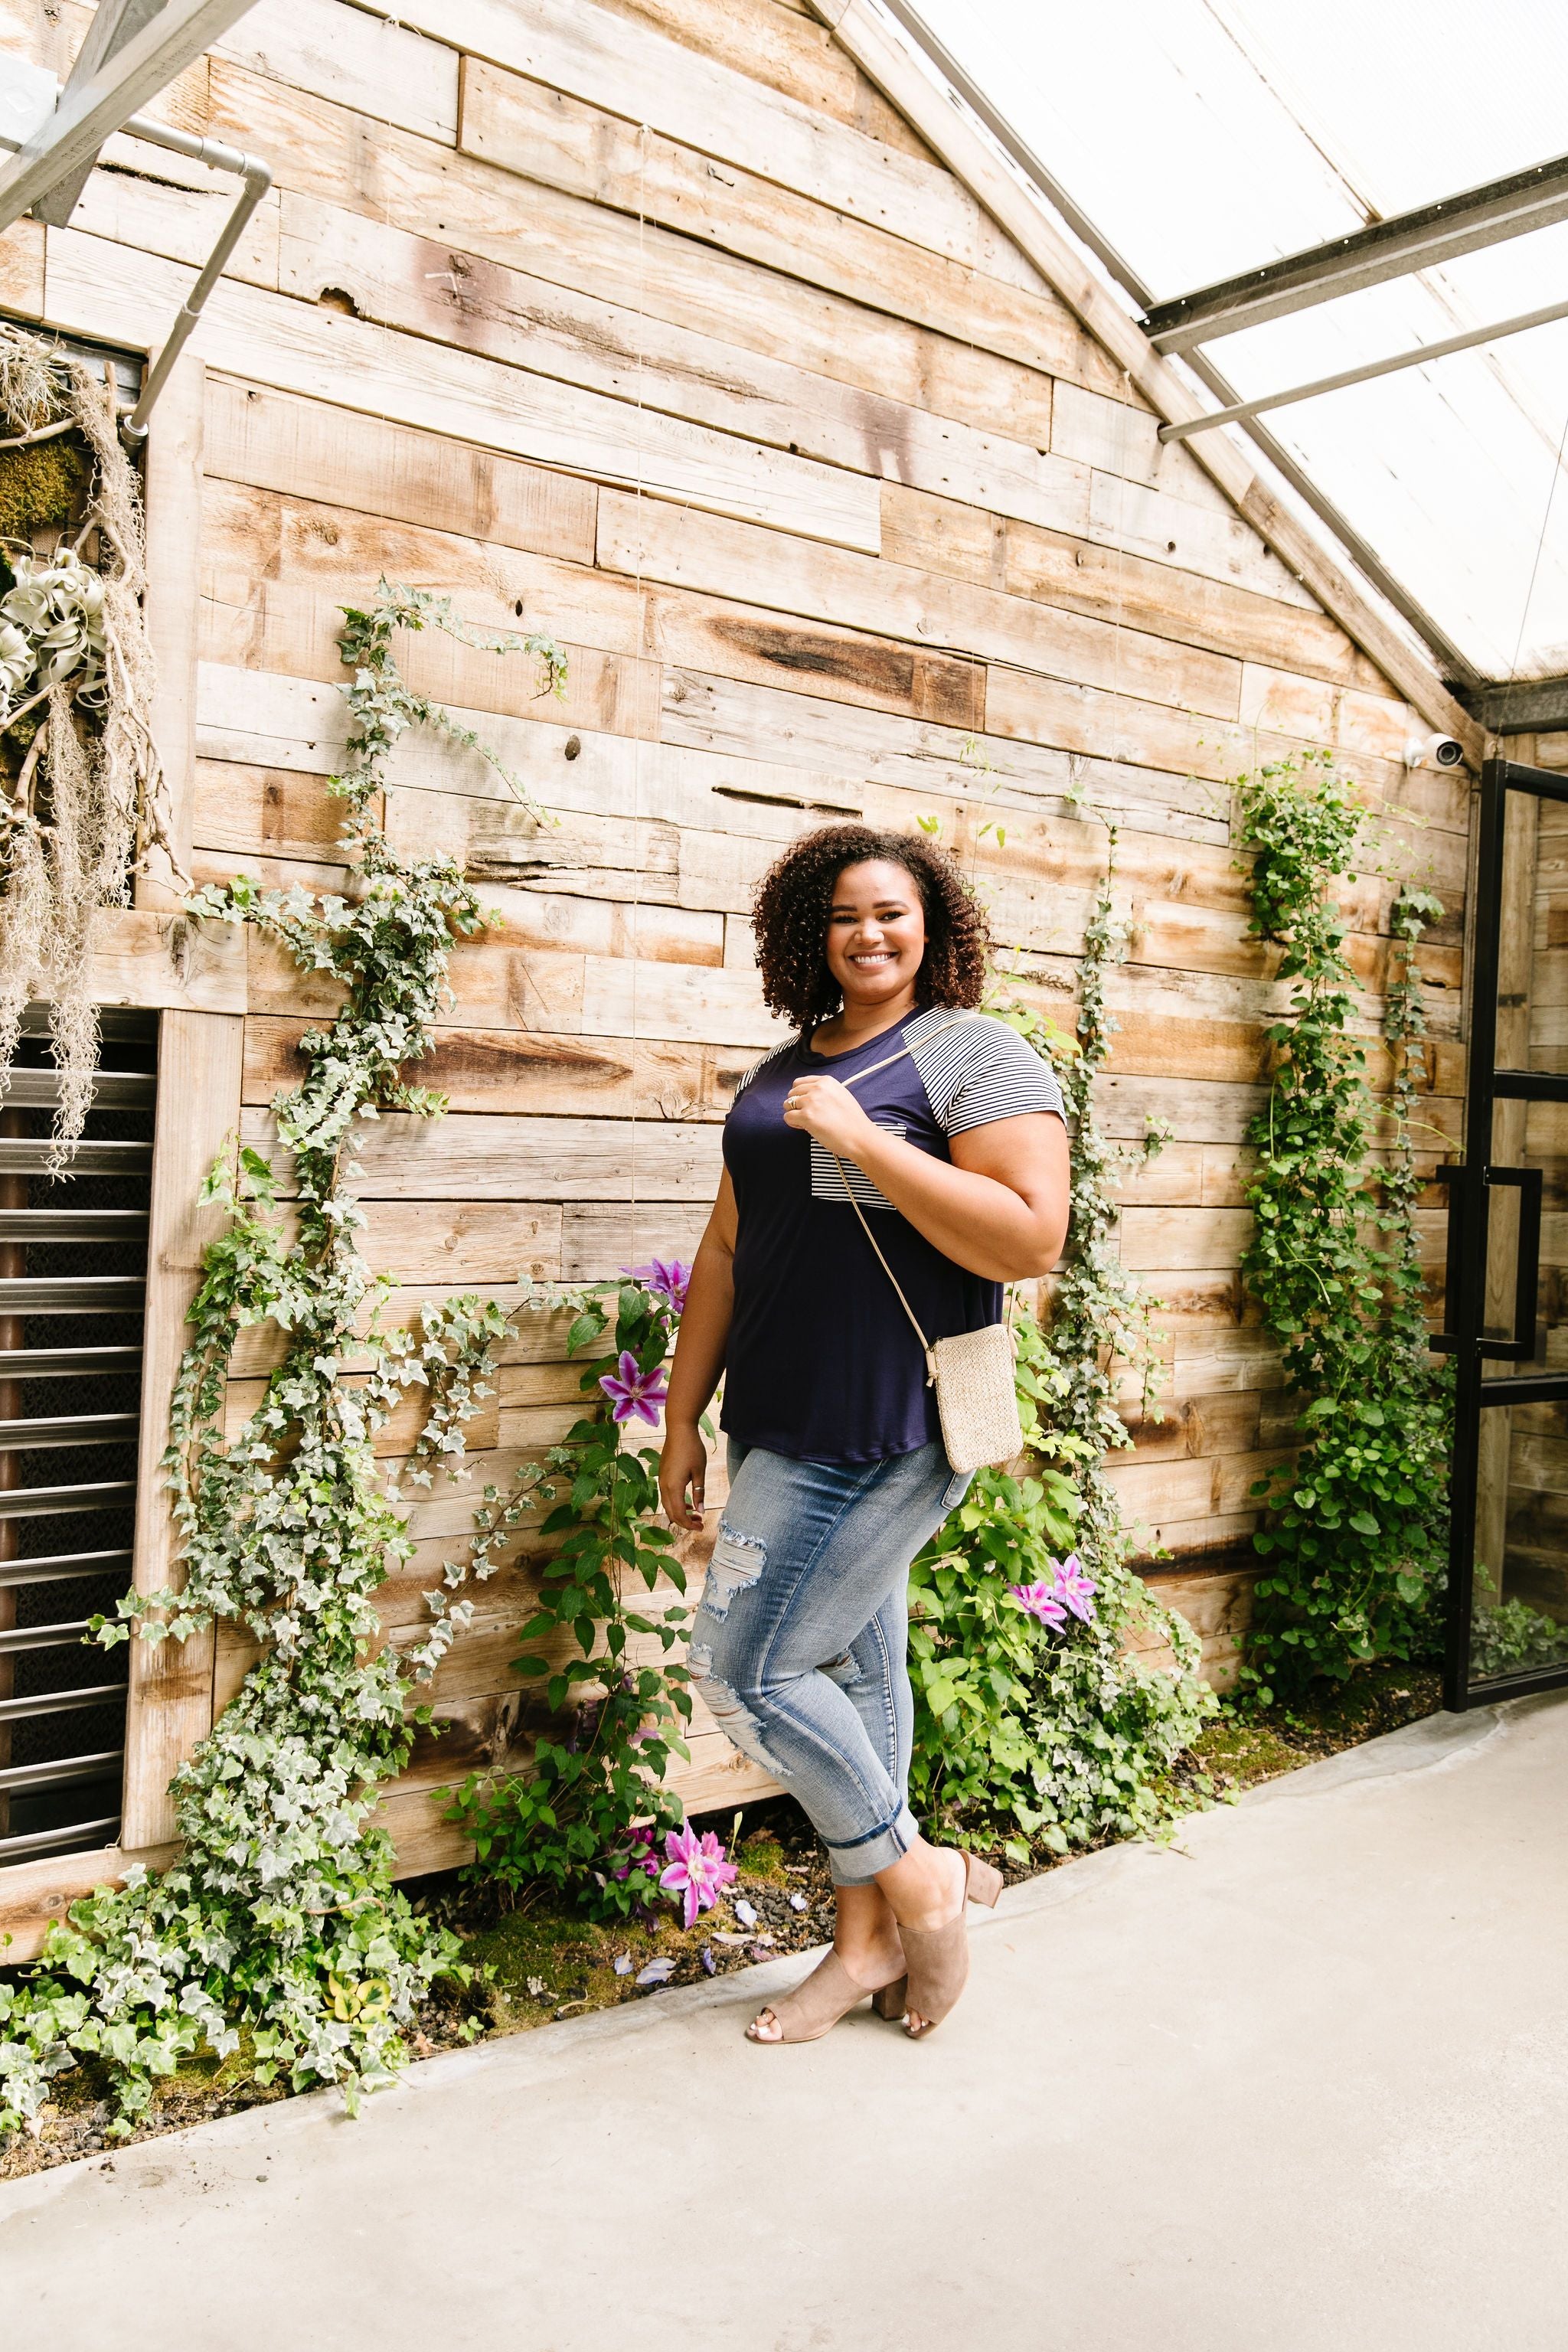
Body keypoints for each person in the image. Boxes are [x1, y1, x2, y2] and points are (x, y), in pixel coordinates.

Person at [658, 825, 1070, 2042]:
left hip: (889, 1426)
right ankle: (867, 1945)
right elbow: (728, 1250)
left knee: (748, 1669)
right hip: (782, 1420)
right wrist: (683, 1414)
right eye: (844, 916)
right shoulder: (785, 1071)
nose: (870, 934)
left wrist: (864, 1141)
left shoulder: (969, 1055)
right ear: (809, 936)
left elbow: (1031, 1237)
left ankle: (921, 1882)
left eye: (891, 911)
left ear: (931, 921)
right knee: (856, 1669)